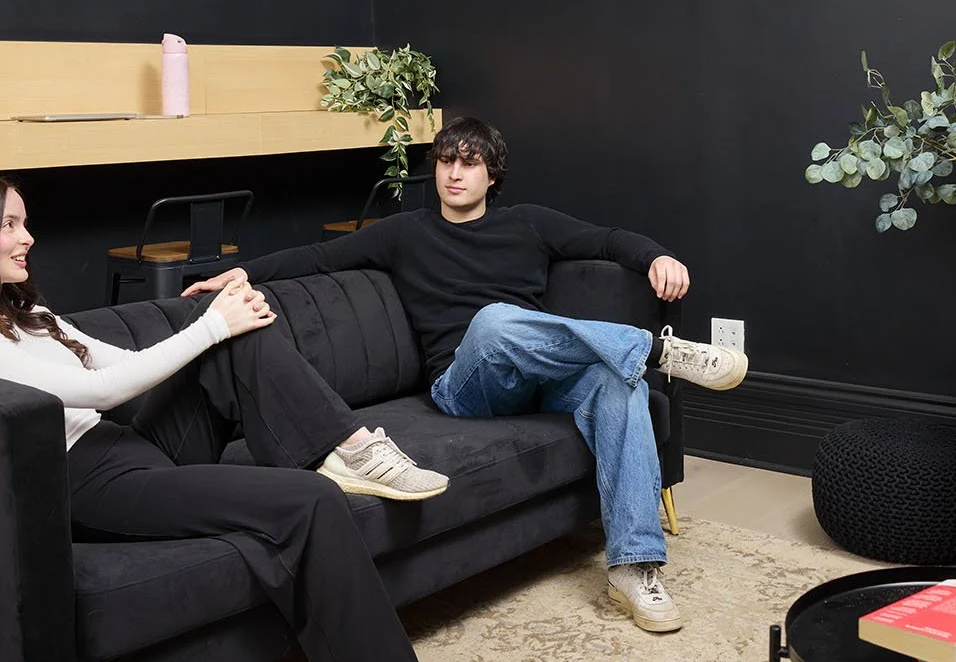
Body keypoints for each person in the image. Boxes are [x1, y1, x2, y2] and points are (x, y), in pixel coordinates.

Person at [185, 116, 749, 633]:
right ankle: (653, 353)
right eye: (446, 162)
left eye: (468, 163)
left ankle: (634, 568)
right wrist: (239, 273)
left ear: (491, 173)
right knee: (495, 321)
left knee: (616, 386)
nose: (454, 174)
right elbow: (315, 259)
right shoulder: (404, 232)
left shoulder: (528, 225)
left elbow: (606, 239)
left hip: (540, 378)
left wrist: (656, 257)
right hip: (465, 383)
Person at [0, 174, 453, 662]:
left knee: (234, 335)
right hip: (87, 486)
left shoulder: (23, 312)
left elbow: (123, 361)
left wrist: (223, 321)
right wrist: (212, 327)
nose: (29, 238)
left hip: (127, 447)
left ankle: (347, 447)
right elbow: (102, 391)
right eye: (9, 226)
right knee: (311, 501)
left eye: (24, 222)